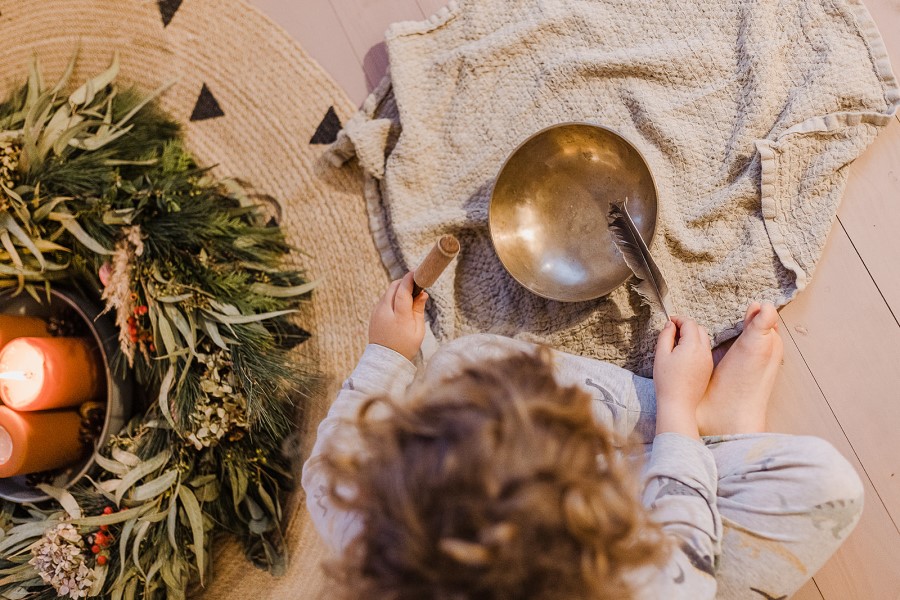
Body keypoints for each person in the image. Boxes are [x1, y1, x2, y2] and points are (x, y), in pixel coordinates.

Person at [302, 272, 863, 600]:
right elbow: (686, 552)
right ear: (595, 521)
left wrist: (388, 353)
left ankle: (695, 433)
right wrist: (676, 409)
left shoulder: (364, 521)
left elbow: (328, 465)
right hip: (682, 559)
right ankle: (718, 428)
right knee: (827, 484)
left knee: (464, 360)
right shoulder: (639, 583)